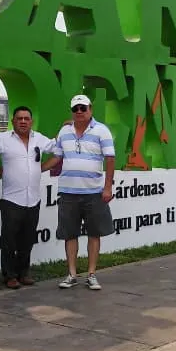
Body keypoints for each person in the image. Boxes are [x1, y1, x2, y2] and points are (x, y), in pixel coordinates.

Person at [41, 94, 115, 290]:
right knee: (70, 234)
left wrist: (107, 187)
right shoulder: (64, 131)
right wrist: (38, 169)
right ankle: (72, 274)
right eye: (76, 109)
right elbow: (57, 157)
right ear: (72, 111)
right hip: (68, 192)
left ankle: (91, 274)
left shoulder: (102, 131)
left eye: (83, 108)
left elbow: (110, 159)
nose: (80, 112)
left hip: (94, 192)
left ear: (90, 109)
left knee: (94, 233)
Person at [0, 106, 55, 289]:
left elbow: (59, 150)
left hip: (34, 199)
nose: (23, 121)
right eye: (19, 118)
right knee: (9, 241)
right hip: (11, 200)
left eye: (26, 118)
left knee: (28, 239)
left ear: (31, 121)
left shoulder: (39, 138)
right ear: (13, 121)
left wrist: (43, 167)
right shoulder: (3, 139)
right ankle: (9, 276)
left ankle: (23, 273)